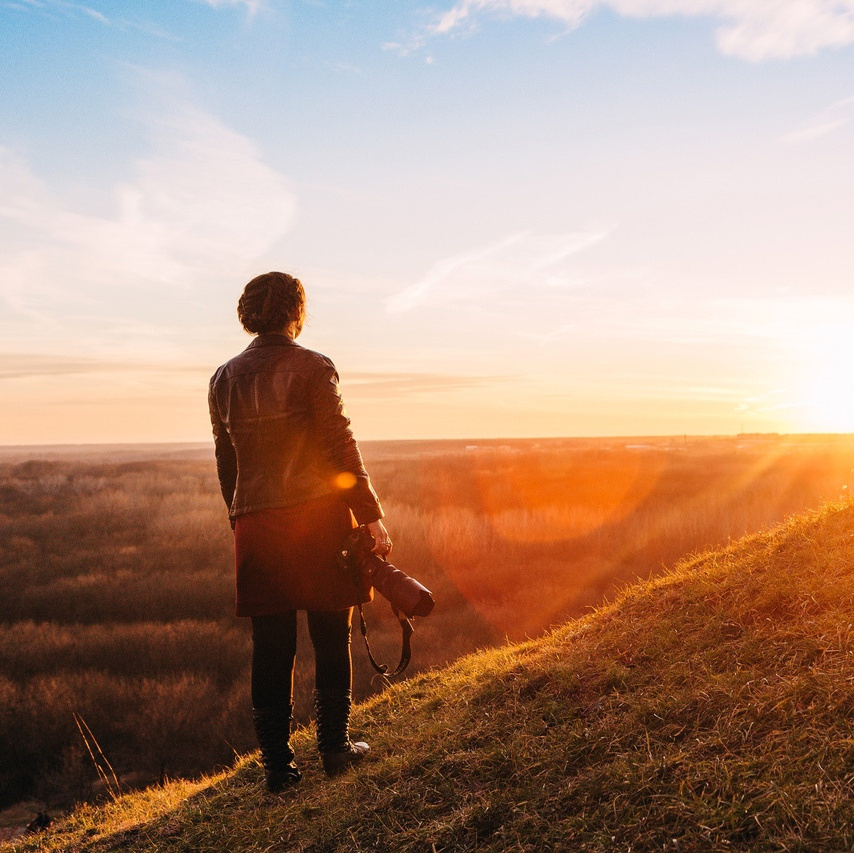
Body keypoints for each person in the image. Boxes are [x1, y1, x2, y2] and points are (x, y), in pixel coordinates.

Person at [208, 271, 391, 791]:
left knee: (270, 645)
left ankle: (278, 771)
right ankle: (335, 749)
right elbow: (340, 444)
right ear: (296, 311)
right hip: (316, 518)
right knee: (331, 634)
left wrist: (238, 518)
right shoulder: (314, 367)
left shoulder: (222, 378)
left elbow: (229, 464)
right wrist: (370, 513)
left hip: (256, 522)